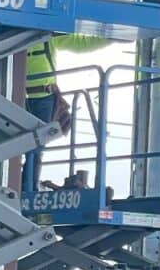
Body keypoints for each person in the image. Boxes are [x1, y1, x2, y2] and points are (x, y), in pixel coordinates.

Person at [21, 34, 110, 191]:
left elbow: (81, 43)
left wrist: (110, 38)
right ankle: (26, 185)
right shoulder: (24, 37)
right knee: (27, 144)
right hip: (21, 96)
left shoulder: (48, 37)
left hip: (43, 98)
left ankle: (28, 186)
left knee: (37, 145)